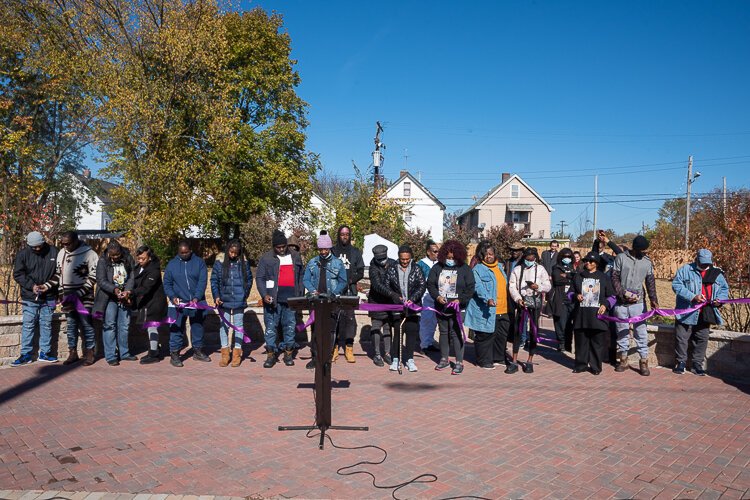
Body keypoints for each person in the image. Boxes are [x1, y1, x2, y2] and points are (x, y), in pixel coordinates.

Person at [39, 231, 98, 366]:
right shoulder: (62, 253)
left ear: (76, 241)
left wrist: (80, 292)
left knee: (86, 324)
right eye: (63, 243)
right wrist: (46, 286)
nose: (65, 246)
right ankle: (72, 352)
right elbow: (58, 274)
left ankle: (90, 352)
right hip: (67, 296)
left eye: (68, 243)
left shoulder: (90, 253)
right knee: (71, 325)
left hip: (84, 296)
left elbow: (94, 276)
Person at [671, 249, 729, 376]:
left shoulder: (717, 273)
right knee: (681, 338)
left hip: (706, 312)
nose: (705, 266)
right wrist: (692, 296)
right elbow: (676, 285)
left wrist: (720, 300)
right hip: (686, 311)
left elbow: (724, 289)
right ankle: (680, 362)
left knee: (702, 338)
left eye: (707, 263)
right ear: (696, 259)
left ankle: (697, 364)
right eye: (702, 263)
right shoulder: (685, 270)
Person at [611, 235, 659, 376]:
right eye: (641, 250)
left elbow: (650, 282)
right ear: (635, 248)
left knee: (641, 333)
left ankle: (643, 361)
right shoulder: (620, 258)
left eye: (645, 250)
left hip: (638, 304)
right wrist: (622, 294)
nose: (643, 252)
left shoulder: (646, 262)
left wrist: (653, 300)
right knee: (622, 332)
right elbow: (614, 278)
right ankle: (623, 359)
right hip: (621, 303)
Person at [256, 230, 304, 368]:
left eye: (284, 246)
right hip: (273, 301)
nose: (281, 249)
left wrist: (300, 293)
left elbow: (301, 275)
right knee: (271, 328)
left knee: (289, 327)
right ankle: (271, 355)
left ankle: (288, 353)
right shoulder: (266, 258)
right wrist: (264, 294)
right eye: (278, 247)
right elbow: (260, 278)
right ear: (273, 246)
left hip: (291, 300)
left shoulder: (295, 256)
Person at [427, 240, 475, 375]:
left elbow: (470, 288)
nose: (450, 260)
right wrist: (437, 296)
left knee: (455, 333)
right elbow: (430, 284)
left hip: (458, 308)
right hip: (441, 307)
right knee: (443, 332)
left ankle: (459, 361)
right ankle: (444, 358)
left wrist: (460, 300)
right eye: (448, 257)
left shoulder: (465, 269)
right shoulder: (437, 268)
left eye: (453, 258)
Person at [11, 231, 59, 366]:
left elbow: (59, 272)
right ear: (29, 245)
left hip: (49, 295)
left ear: (43, 242)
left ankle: (45, 353)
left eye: (39, 246)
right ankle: (26, 354)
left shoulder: (54, 252)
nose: (37, 249)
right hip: (29, 296)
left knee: (46, 324)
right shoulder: (23, 255)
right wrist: (31, 286)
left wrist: (48, 286)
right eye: (34, 247)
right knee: (28, 324)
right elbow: (18, 274)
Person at [302, 231, 347, 369]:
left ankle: (326, 359)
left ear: (330, 248)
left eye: (325, 249)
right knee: (316, 331)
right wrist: (311, 289)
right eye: (320, 249)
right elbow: (306, 279)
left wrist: (334, 293)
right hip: (316, 301)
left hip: (331, 302)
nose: (322, 251)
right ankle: (315, 358)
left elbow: (343, 281)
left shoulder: (337, 263)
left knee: (330, 331)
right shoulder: (312, 262)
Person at [465, 243, 511, 371]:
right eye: (485, 254)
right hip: (486, 309)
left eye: (491, 254)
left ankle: (497, 357)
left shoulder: (500, 267)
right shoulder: (478, 269)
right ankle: (483, 360)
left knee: (500, 335)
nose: (488, 257)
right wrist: (487, 299)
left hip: (502, 308)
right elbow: (478, 287)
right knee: (485, 335)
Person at [163, 240, 210, 367]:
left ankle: (198, 350)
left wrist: (196, 297)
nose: (184, 255)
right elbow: (167, 283)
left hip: (196, 302)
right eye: (181, 253)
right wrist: (172, 296)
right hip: (178, 304)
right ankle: (174, 354)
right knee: (176, 328)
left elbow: (202, 281)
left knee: (197, 326)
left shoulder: (199, 263)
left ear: (191, 250)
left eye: (186, 252)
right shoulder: (172, 264)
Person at [380, 245, 426, 372]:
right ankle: (396, 359)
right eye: (402, 259)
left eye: (407, 259)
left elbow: (422, 285)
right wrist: (394, 296)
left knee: (411, 332)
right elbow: (386, 285)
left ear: (410, 258)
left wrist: (413, 298)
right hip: (397, 307)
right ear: (398, 257)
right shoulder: (392, 269)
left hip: (413, 307)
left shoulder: (417, 269)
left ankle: (410, 359)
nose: (405, 262)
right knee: (398, 333)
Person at [572, 252, 617, 375]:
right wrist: (576, 296)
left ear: (596, 263)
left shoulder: (604, 277)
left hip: (598, 316)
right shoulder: (578, 276)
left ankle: (596, 366)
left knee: (597, 344)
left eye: (590, 261)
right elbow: (569, 294)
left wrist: (605, 305)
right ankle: (580, 365)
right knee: (581, 342)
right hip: (581, 315)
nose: (587, 263)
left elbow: (613, 296)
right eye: (586, 261)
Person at [508, 247, 551, 373]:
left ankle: (529, 360)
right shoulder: (517, 269)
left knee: (533, 331)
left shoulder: (541, 269)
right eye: (527, 259)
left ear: (535, 258)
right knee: (517, 330)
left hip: (535, 302)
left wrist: (538, 287)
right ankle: (514, 361)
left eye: (532, 259)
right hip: (521, 302)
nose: (529, 261)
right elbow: (512, 286)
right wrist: (517, 298)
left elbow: (548, 286)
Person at [94, 241, 137, 366]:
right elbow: (101, 280)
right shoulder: (102, 261)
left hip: (124, 296)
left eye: (117, 255)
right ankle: (111, 355)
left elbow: (132, 276)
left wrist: (127, 291)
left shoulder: (128, 257)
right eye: (112, 256)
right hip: (109, 297)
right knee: (110, 325)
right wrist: (114, 289)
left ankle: (124, 352)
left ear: (121, 251)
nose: (115, 258)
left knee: (124, 325)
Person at [211, 239, 253, 368]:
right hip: (224, 300)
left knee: (239, 326)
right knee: (224, 326)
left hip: (239, 300)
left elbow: (249, 280)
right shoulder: (219, 263)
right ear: (227, 249)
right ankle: (225, 353)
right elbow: (214, 280)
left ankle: (237, 353)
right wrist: (216, 296)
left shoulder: (243, 263)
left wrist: (244, 294)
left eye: (236, 253)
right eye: (231, 252)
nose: (233, 255)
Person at [331, 225, 365, 362]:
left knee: (350, 319)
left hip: (350, 290)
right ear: (338, 235)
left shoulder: (356, 252)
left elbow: (361, 271)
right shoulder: (333, 251)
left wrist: (351, 279)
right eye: (342, 234)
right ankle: (334, 348)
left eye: (347, 234)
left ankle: (349, 348)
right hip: (335, 290)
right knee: (335, 319)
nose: (344, 236)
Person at [131, 245, 167, 364]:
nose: (140, 261)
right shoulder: (138, 268)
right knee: (149, 326)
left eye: (143, 258)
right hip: (146, 302)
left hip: (155, 303)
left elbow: (146, 288)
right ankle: (154, 348)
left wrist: (131, 293)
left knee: (152, 326)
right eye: (139, 258)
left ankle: (154, 354)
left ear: (150, 258)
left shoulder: (154, 270)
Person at [367, 244, 396, 367]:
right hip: (376, 301)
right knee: (376, 326)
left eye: (383, 258)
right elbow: (377, 285)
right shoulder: (373, 267)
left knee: (387, 327)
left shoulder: (393, 263)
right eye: (379, 259)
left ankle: (388, 353)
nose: (382, 261)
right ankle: (377, 354)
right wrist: (391, 293)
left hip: (390, 301)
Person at [549, 248, 577, 353]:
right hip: (560, 299)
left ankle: (568, 344)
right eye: (565, 256)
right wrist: (571, 278)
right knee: (560, 323)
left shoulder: (574, 268)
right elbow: (557, 280)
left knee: (570, 324)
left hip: (572, 300)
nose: (567, 258)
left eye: (569, 256)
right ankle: (561, 343)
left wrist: (568, 276)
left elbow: (577, 279)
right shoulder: (556, 267)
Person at [416, 240, 440, 352]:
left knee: (434, 321)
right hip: (425, 297)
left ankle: (430, 342)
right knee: (426, 320)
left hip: (437, 297)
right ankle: (424, 345)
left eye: (438, 251)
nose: (437, 254)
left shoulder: (440, 264)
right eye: (434, 252)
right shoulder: (421, 264)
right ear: (428, 252)